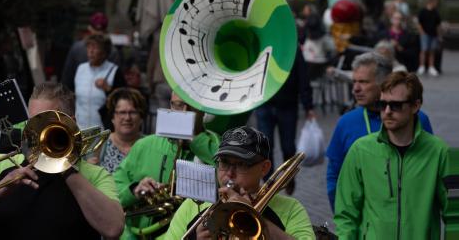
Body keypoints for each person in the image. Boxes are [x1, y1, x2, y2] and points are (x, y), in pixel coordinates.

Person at [0, 82, 124, 239]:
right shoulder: (2, 163)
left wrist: (66, 168)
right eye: (33, 122)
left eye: (47, 121)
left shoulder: (95, 174)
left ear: (70, 122)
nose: (37, 131)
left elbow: (113, 228)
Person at [334, 72, 449, 239]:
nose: (387, 111)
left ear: (415, 106)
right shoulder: (360, 150)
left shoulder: (439, 152)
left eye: (396, 105)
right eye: (382, 104)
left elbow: (454, 215)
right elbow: (346, 214)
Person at [164, 125, 315, 239]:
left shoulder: (291, 209)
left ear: (264, 168)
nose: (230, 173)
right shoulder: (193, 205)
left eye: (241, 164)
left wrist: (255, 218)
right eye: (224, 163)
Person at [325, 52, 433, 210]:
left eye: (363, 82)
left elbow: (430, 172)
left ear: (384, 82)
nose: (355, 88)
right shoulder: (346, 122)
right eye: (354, 81)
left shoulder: (417, 119)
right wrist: (341, 215)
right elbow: (334, 175)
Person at [113, 92, 220, 239]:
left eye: (191, 106)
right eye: (177, 105)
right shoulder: (144, 145)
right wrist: (134, 190)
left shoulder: (216, 147)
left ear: (203, 111)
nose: (183, 112)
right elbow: (113, 191)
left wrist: (195, 140)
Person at [255, 50, 315, 192]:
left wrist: (308, 106)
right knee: (265, 146)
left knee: (288, 146)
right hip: (265, 103)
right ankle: (268, 185)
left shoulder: (293, 48)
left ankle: (289, 177)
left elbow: (302, 75)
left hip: (287, 105)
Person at [88, 87, 147, 173]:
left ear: (141, 117)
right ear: (112, 117)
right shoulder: (98, 145)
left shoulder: (149, 145)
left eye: (133, 112)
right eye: (122, 112)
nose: (127, 118)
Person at [74, 34, 126, 129]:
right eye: (89, 47)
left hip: (103, 130)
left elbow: (123, 100)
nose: (91, 51)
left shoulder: (114, 70)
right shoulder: (81, 69)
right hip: (80, 129)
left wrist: (108, 88)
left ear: (104, 52)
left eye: (95, 47)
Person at [61, 12, 121, 91]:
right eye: (89, 48)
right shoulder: (77, 50)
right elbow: (68, 78)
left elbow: (117, 81)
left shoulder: (112, 51)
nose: (91, 52)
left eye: (96, 49)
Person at [417, 0, 442, 76]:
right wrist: (422, 32)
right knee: (423, 50)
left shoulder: (436, 12)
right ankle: (422, 66)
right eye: (435, 2)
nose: (436, 4)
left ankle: (431, 67)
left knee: (432, 51)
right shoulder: (423, 11)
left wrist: (439, 35)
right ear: (431, 2)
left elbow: (438, 25)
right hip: (425, 34)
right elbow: (419, 23)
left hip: (433, 34)